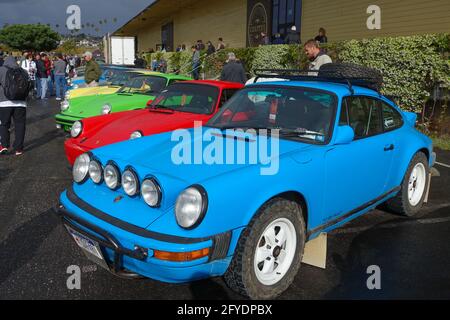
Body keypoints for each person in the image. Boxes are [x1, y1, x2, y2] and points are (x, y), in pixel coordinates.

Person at [0, 56, 29, 155]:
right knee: (20, 125)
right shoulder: (24, 71)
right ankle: (18, 148)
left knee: (4, 124)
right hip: (21, 102)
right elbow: (29, 85)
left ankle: (4, 146)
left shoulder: (2, 70)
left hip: (4, 102)